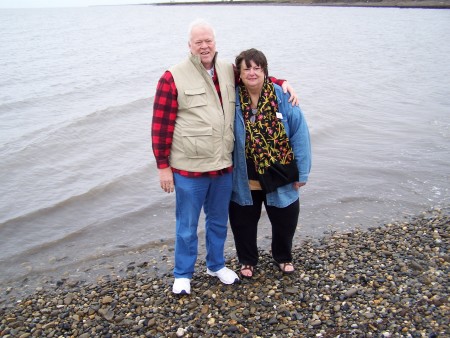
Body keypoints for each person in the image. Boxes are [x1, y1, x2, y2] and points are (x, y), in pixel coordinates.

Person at [151, 20, 299, 295]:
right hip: (188, 169)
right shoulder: (172, 77)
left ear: (215, 43)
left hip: (223, 166)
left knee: (218, 221)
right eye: (199, 42)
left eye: (208, 41)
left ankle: (216, 265)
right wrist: (163, 167)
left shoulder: (226, 70)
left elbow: (253, 77)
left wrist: (282, 82)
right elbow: (160, 126)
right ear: (190, 46)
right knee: (187, 225)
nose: (204, 46)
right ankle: (182, 274)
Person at [229, 48, 311, 279]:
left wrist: (302, 174)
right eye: (247, 68)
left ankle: (283, 257)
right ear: (240, 73)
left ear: (265, 70)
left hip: (279, 173)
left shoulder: (282, 96)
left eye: (257, 68)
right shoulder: (232, 98)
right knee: (242, 223)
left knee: (285, 219)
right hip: (245, 177)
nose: (252, 73)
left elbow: (300, 135)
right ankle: (247, 260)